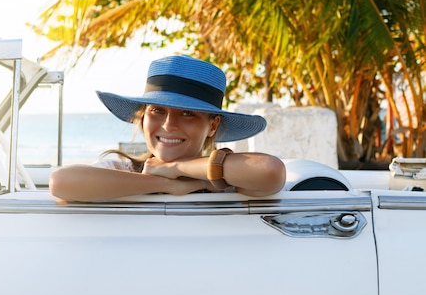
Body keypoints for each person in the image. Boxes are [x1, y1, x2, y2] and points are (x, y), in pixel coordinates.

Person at [49, 55, 286, 201]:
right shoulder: (124, 170)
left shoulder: (226, 178)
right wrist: (166, 184)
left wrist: (175, 167)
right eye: (157, 111)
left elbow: (270, 171)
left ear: (213, 125)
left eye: (187, 114)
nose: (168, 125)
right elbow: (61, 182)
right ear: (142, 118)